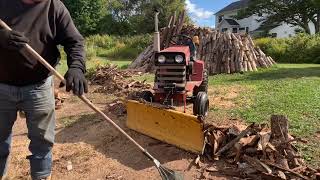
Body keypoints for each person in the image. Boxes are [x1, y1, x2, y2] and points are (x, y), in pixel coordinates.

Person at [0, 0, 88, 179]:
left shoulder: (55, 7)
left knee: (42, 144)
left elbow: (75, 41)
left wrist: (77, 67)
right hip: (1, 86)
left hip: (39, 87)